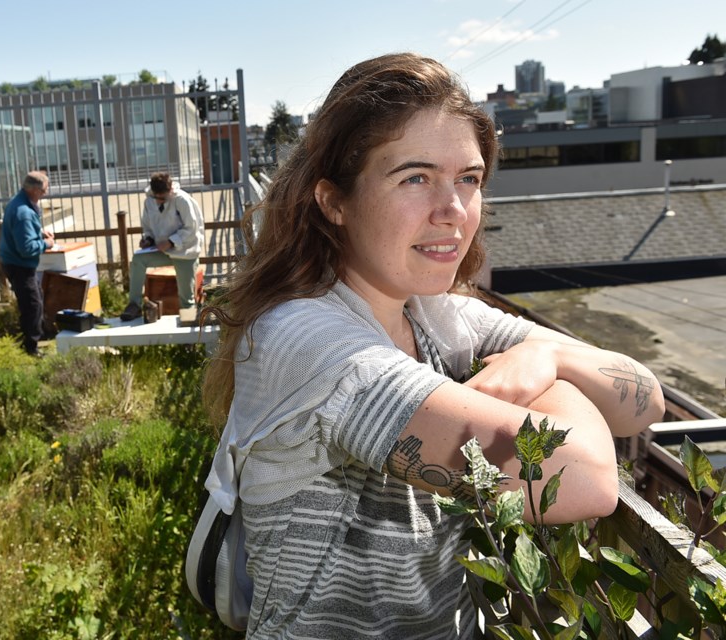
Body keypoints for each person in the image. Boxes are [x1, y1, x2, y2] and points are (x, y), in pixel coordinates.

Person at [200, 52, 666, 639]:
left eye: (468, 179)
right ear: (333, 201)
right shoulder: (308, 341)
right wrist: (558, 371)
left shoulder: (435, 317)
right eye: (415, 177)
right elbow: (585, 477)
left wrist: (545, 358)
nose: (454, 211)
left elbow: (645, 397)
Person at [120, 172, 204, 321]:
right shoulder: (149, 201)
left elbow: (192, 229)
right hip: (161, 249)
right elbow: (148, 227)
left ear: (170, 190)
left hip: (185, 251)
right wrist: (148, 240)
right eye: (156, 197)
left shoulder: (183, 200)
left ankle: (190, 333)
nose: (158, 201)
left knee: (186, 299)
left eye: (162, 198)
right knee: (138, 261)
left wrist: (171, 242)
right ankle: (134, 305)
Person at [0, 170, 55, 357]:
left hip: (15, 262)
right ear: (33, 190)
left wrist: (38, 232)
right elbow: (26, 248)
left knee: (34, 300)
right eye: (44, 190)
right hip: (19, 264)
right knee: (32, 305)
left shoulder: (20, 203)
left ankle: (33, 341)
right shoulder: (23, 212)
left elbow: (24, 235)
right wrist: (46, 243)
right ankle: (31, 348)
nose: (45, 193)